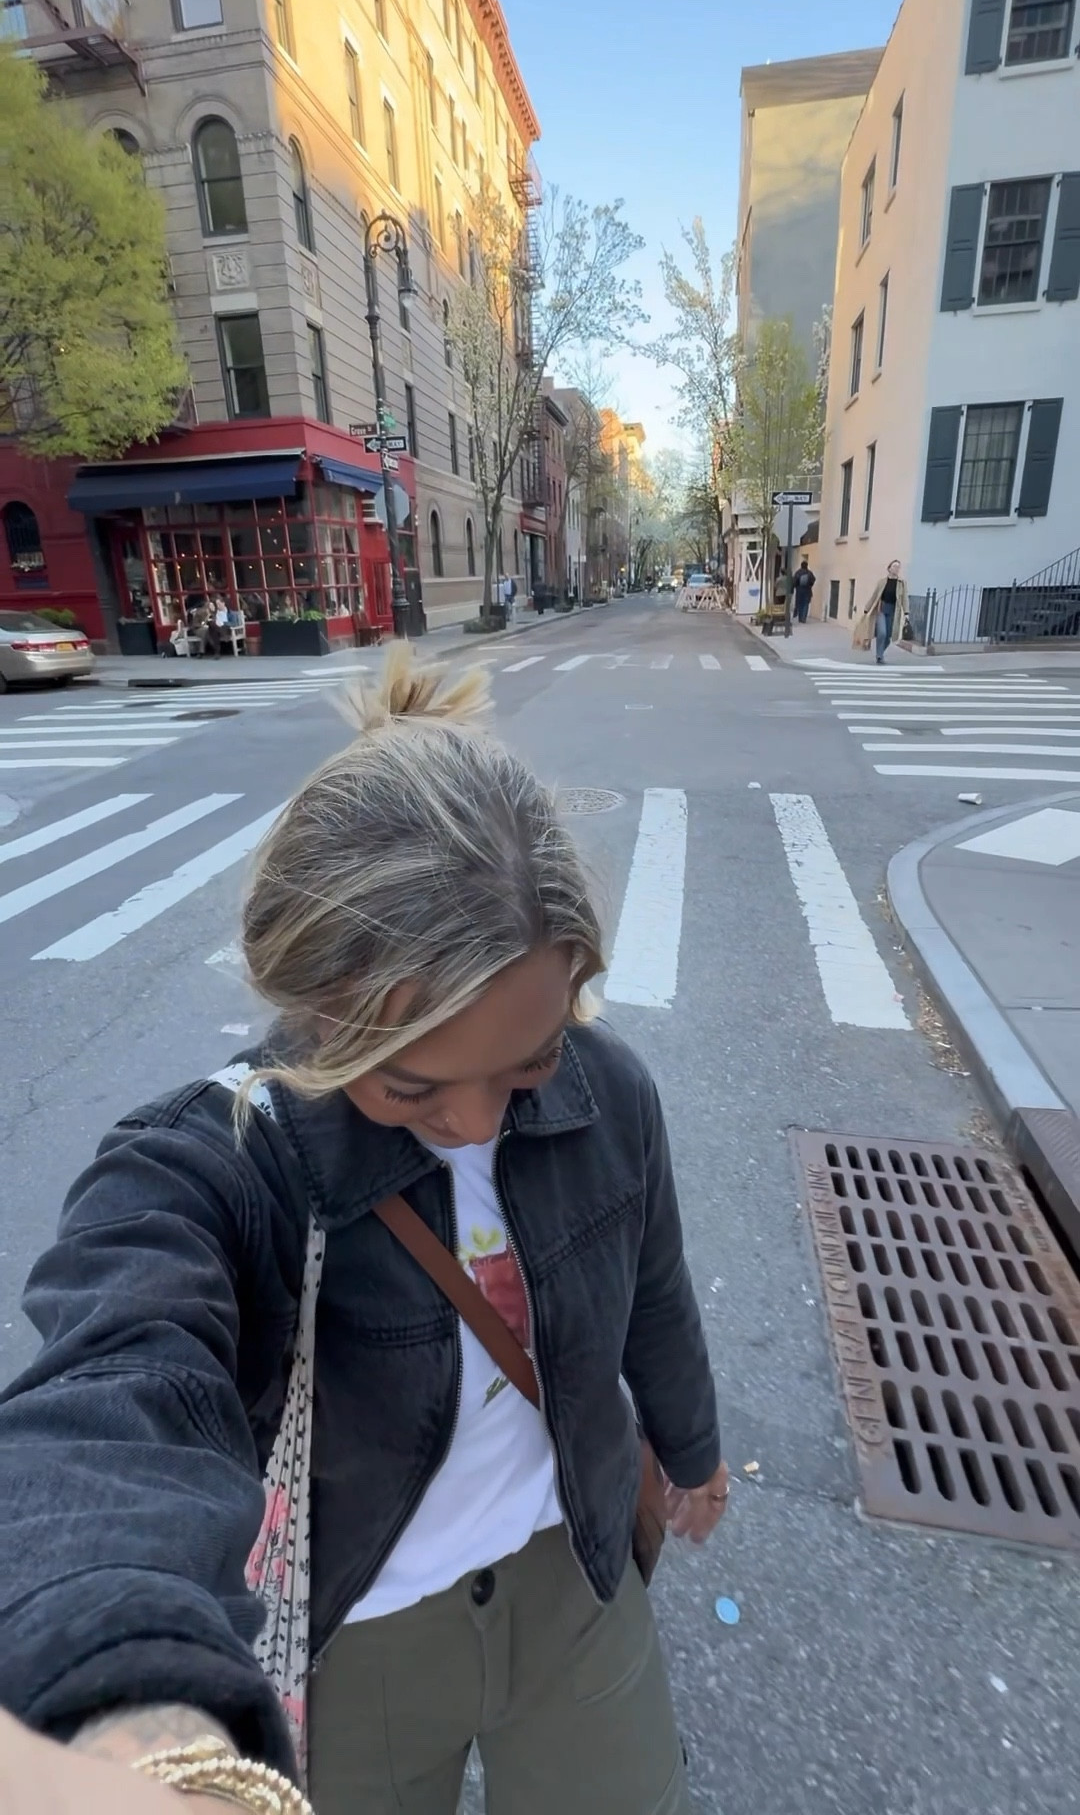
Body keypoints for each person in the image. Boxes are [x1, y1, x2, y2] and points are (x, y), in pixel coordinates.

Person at [0, 647, 725, 1815]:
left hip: (577, 1575)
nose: (474, 1121)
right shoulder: (227, 1160)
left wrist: (693, 1450)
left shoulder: (610, 1092)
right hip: (358, 1633)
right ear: (317, 1010)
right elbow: (107, 1408)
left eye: (529, 1060)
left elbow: (654, 1290)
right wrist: (130, 1715)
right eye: (411, 1085)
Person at [857, 559, 909, 662]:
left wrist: (906, 613)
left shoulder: (902, 583)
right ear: (889, 568)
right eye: (894, 566)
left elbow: (905, 599)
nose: (897, 569)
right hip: (881, 609)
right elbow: (874, 596)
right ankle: (879, 655)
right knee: (882, 633)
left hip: (894, 611)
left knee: (888, 637)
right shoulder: (882, 582)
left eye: (898, 567)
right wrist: (867, 609)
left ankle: (879, 653)